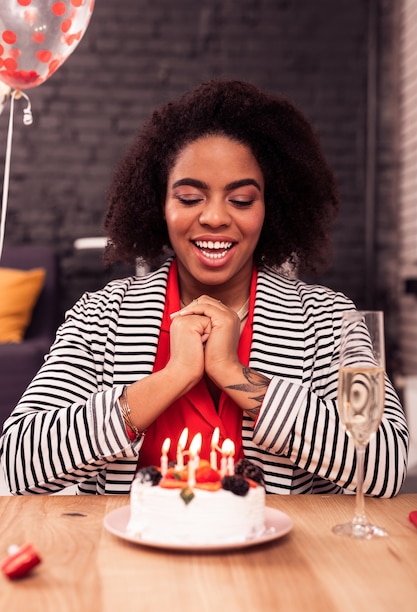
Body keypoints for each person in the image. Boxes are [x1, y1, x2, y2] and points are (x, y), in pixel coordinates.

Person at [0, 79, 408, 496]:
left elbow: (386, 468)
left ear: (271, 208)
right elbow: (16, 466)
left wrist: (234, 374)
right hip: (133, 559)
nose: (214, 217)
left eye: (242, 200)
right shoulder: (101, 315)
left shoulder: (328, 319)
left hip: (280, 560)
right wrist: (172, 377)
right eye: (190, 197)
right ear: (160, 206)